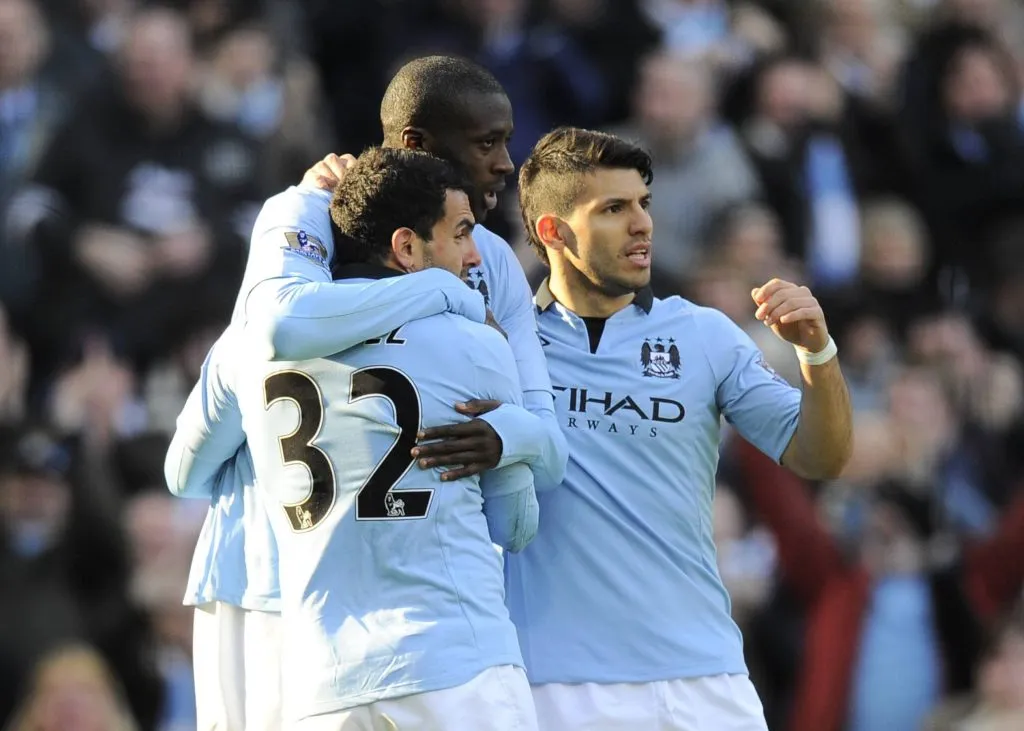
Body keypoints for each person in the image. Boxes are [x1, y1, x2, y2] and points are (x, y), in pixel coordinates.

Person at [166, 55, 566, 729]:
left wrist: (505, 436)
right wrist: (443, 298)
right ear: (416, 145)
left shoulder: (489, 257)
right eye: (487, 142)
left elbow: (538, 423)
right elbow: (279, 326)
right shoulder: (306, 210)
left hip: (367, 607)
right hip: (265, 581)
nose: (507, 163)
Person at [506, 127, 854, 731]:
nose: (641, 223)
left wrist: (818, 356)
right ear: (553, 233)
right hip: (560, 684)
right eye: (613, 209)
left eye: (643, 203)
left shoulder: (705, 334)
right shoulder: (505, 346)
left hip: (707, 677)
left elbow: (819, 456)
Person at [241, 146, 539, 728]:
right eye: (461, 233)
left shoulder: (257, 358)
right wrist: (522, 433)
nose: (474, 256)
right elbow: (516, 525)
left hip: (322, 680)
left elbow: (184, 471)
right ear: (406, 248)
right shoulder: (474, 342)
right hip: (456, 662)